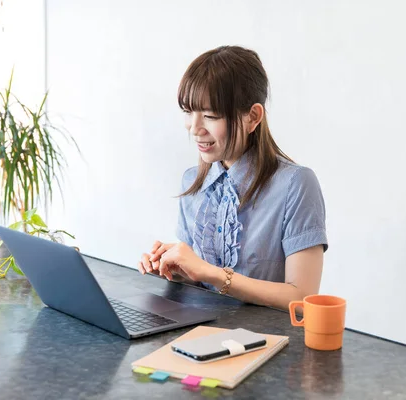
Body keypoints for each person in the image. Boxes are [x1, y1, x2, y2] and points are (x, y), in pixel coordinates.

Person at [138, 45, 328, 311]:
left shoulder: (296, 185)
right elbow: (199, 287)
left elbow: (301, 299)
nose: (194, 128)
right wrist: (175, 269)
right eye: (188, 112)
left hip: (267, 344)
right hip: (200, 334)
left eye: (211, 115)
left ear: (253, 117)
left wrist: (209, 272)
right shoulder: (192, 182)